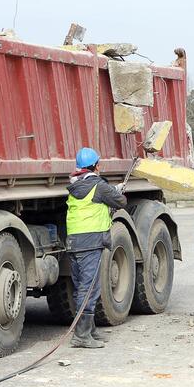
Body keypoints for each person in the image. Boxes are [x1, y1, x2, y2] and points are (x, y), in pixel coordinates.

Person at [66, 147, 127, 348]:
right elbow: (121, 201)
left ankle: (89, 331)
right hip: (91, 242)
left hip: (74, 242)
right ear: (96, 166)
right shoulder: (98, 186)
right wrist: (116, 191)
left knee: (81, 287)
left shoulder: (74, 187)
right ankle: (81, 336)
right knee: (89, 288)